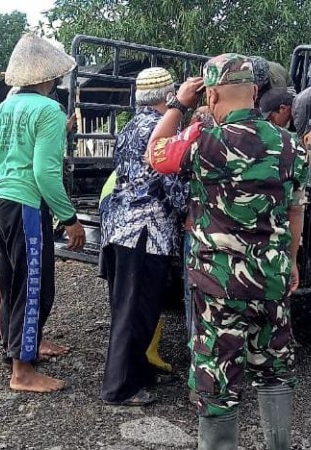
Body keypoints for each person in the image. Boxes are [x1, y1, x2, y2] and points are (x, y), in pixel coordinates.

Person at [147, 53, 308, 450]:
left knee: (217, 377)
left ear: (213, 94)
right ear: (254, 92)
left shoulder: (204, 141)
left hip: (219, 285)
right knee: (274, 369)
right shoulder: (291, 145)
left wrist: (179, 104)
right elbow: (295, 209)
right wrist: (289, 262)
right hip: (271, 278)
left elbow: (155, 152)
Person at [0, 34, 86, 393]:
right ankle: (22, 372)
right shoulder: (49, 111)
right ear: (49, 77)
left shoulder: (0, 111)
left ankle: (25, 348)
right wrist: (69, 218)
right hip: (26, 203)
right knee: (34, 285)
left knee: (14, 282)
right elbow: (45, 172)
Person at [99, 67, 188, 406]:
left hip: (121, 227)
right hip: (145, 231)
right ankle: (120, 388)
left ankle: (136, 375)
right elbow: (171, 183)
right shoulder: (158, 130)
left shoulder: (131, 125)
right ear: (168, 96)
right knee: (136, 311)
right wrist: (189, 210)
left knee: (127, 307)